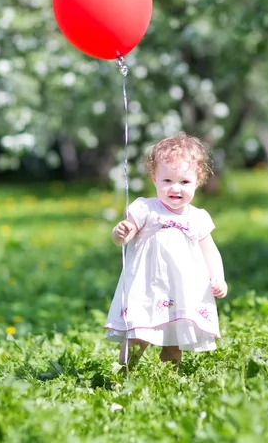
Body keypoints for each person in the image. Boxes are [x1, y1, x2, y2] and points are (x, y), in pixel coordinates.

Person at [104, 132, 227, 365]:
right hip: (148, 288)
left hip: (181, 290)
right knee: (138, 336)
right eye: (167, 181)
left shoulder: (198, 217)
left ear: (198, 180)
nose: (175, 188)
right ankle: (121, 375)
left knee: (174, 341)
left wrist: (218, 279)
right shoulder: (145, 208)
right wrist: (120, 232)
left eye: (184, 182)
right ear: (154, 178)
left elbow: (210, 251)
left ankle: (170, 382)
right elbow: (125, 235)